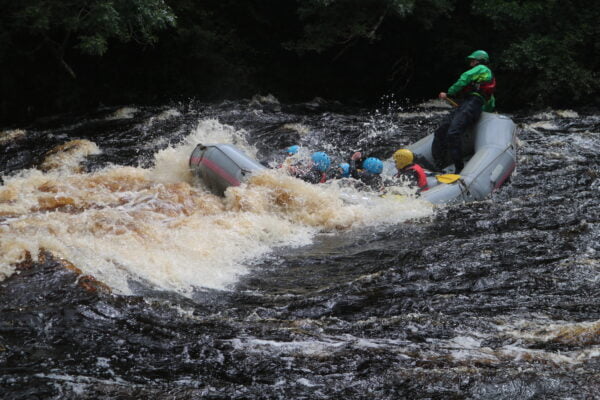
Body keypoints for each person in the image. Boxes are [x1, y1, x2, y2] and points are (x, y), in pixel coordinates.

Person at [433, 50, 496, 173]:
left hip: (473, 103)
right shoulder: (482, 75)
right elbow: (491, 102)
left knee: (453, 133)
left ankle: (459, 168)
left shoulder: (482, 68)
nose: (471, 62)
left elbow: (464, 78)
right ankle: (438, 164)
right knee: (441, 130)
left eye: (473, 60)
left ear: (480, 61)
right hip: (467, 103)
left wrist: (449, 92)